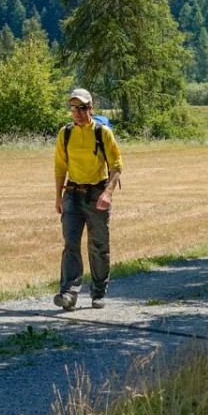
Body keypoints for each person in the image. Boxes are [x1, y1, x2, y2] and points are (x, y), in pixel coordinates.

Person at [53, 87, 122, 310]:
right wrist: (58, 197)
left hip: (97, 194)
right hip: (72, 194)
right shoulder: (66, 133)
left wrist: (108, 193)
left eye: (81, 108)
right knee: (70, 244)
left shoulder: (103, 133)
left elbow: (117, 165)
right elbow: (60, 166)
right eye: (73, 108)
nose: (77, 112)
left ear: (90, 108)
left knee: (98, 245)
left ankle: (98, 292)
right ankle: (69, 294)